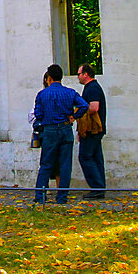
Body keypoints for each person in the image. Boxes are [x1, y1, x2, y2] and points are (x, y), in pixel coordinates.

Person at [32, 63, 85, 204]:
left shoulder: (42, 94)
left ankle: (40, 196)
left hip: (49, 130)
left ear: (49, 77)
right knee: (65, 165)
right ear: (61, 77)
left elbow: (38, 114)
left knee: (46, 163)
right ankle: (62, 197)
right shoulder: (70, 92)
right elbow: (84, 105)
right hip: (65, 128)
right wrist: (74, 115)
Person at [76, 63, 107, 199]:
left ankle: (97, 187)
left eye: (79, 74)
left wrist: (79, 110)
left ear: (85, 74)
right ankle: (99, 187)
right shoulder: (91, 87)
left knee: (85, 157)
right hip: (93, 129)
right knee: (96, 157)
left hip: (92, 129)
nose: (78, 77)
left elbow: (94, 107)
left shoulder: (92, 88)